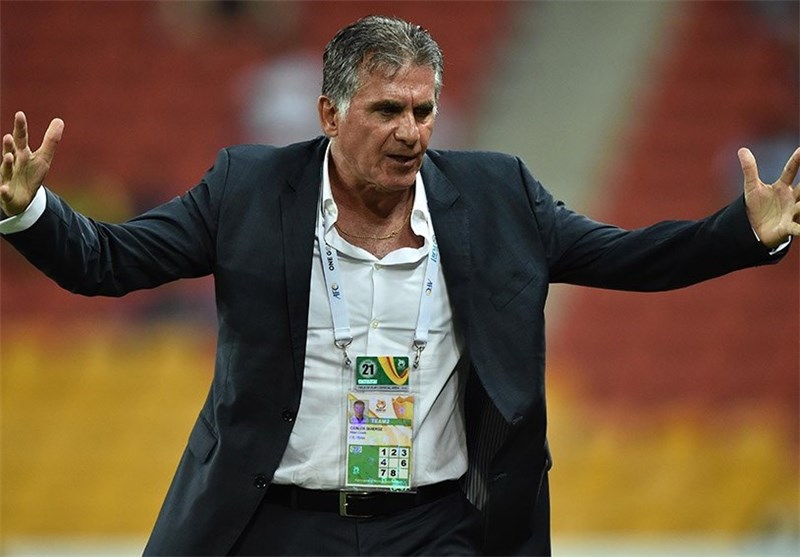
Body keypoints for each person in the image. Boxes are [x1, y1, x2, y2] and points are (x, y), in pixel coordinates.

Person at [1, 15, 799, 557]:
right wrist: (30, 211)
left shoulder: (496, 195)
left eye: (423, 111)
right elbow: (108, 260)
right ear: (329, 113)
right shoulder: (248, 190)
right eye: (387, 110)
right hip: (279, 523)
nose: (411, 132)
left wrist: (743, 231)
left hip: (434, 525)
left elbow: (626, 257)